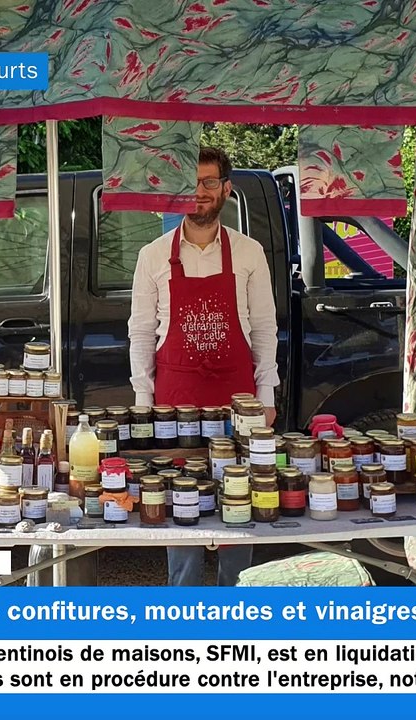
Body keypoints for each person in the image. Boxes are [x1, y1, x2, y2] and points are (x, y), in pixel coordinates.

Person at [129, 147, 280, 586]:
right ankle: (186, 613)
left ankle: (238, 607)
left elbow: (266, 329)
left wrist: (266, 397)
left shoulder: (249, 253)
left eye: (209, 182)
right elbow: (140, 332)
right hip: (176, 406)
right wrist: (145, 401)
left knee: (240, 505)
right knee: (181, 508)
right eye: (190, 183)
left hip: (239, 403)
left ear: (226, 190)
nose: (199, 192)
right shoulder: (152, 255)